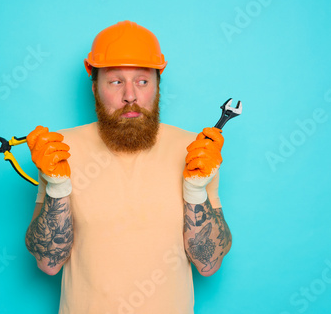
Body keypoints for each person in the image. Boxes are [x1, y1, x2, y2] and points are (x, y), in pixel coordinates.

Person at [25, 20, 232, 314]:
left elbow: (208, 264)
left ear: (158, 84)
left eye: (142, 81)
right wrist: (57, 188)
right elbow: (48, 262)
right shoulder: (58, 151)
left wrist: (196, 192)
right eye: (116, 81)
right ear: (94, 84)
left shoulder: (196, 151)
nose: (131, 96)